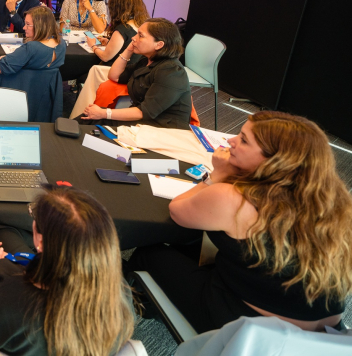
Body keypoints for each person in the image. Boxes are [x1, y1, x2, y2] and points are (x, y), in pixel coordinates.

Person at [129, 111, 352, 333]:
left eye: (243, 140)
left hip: (253, 328)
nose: (230, 141)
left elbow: (177, 211)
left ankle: (140, 309)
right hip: (326, 332)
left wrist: (217, 175)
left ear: (274, 161)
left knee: (149, 253)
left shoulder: (234, 198)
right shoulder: (334, 201)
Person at [0, 187, 135, 356]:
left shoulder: (9, 297)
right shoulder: (121, 296)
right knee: (7, 235)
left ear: (41, 242)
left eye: (34, 216)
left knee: (4, 233)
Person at [79, 18, 192, 129]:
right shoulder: (146, 61)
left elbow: (145, 112)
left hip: (161, 129)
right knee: (86, 119)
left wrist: (104, 113)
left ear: (159, 45)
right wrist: (128, 50)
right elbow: (114, 76)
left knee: (89, 122)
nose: (133, 38)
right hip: (144, 121)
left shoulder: (171, 72)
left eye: (140, 35)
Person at [69, 0, 150, 119]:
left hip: (114, 72)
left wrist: (93, 46)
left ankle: (81, 113)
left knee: (83, 74)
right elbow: (125, 45)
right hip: (132, 73)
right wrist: (109, 42)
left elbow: (106, 56)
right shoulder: (140, 26)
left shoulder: (122, 29)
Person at [0, 7, 66, 122]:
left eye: (28, 24)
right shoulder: (61, 44)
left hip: (20, 91)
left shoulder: (31, 48)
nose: (24, 28)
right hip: (44, 97)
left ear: (40, 26)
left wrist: (1, 58)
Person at [86, 0, 149, 66]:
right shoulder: (143, 26)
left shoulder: (122, 29)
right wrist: (110, 43)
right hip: (131, 72)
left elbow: (105, 57)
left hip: (112, 72)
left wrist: (93, 45)